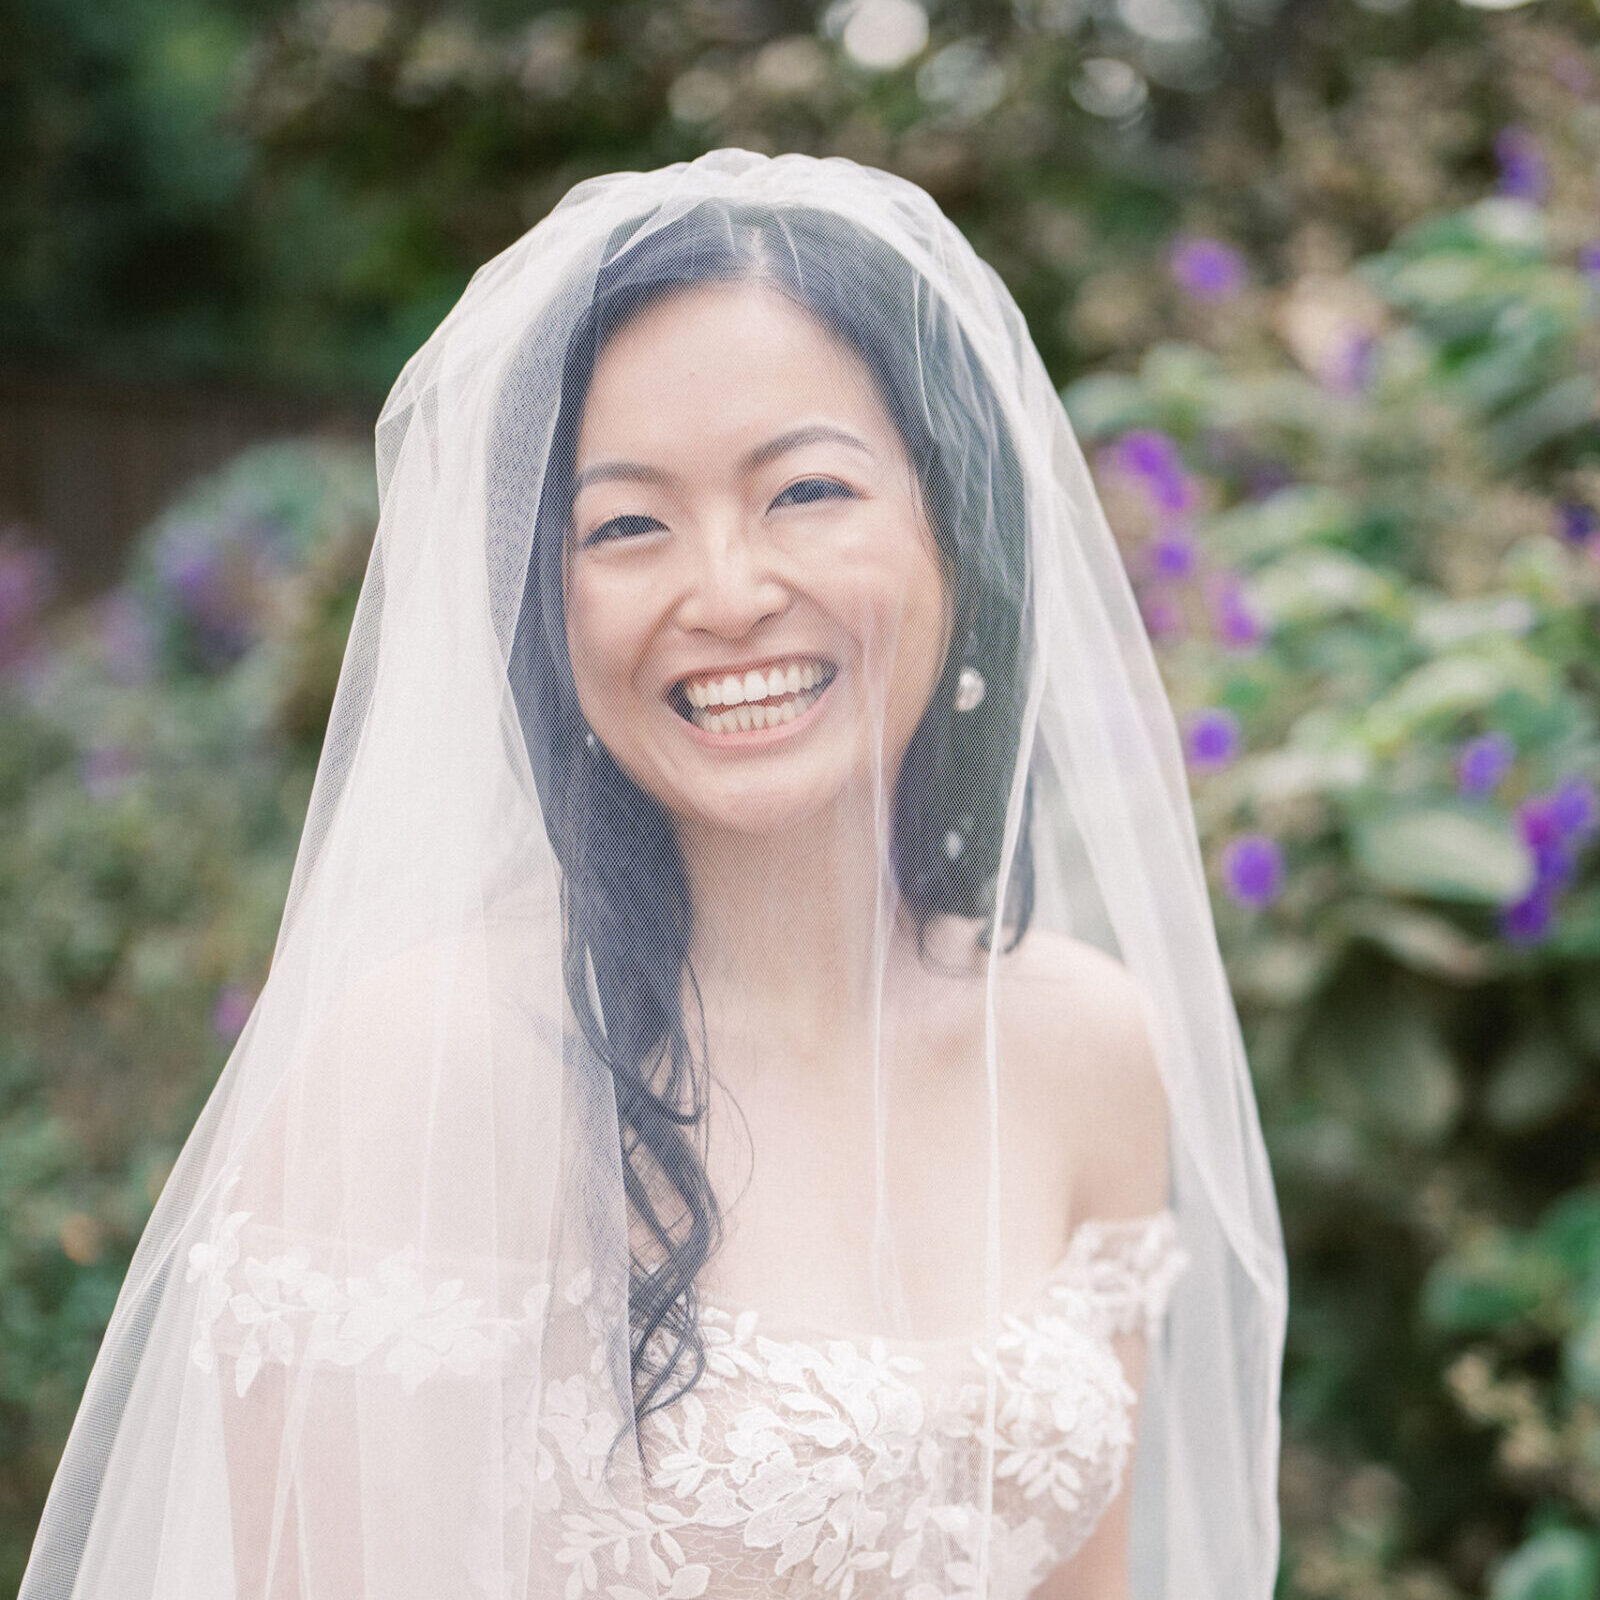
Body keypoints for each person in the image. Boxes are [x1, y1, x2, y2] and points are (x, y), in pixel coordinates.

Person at [21, 149, 1286, 1600]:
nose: (729, 591)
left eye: (806, 490)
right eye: (628, 524)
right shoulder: (428, 1073)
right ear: (547, 609)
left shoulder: (1084, 1047)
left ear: (956, 532)